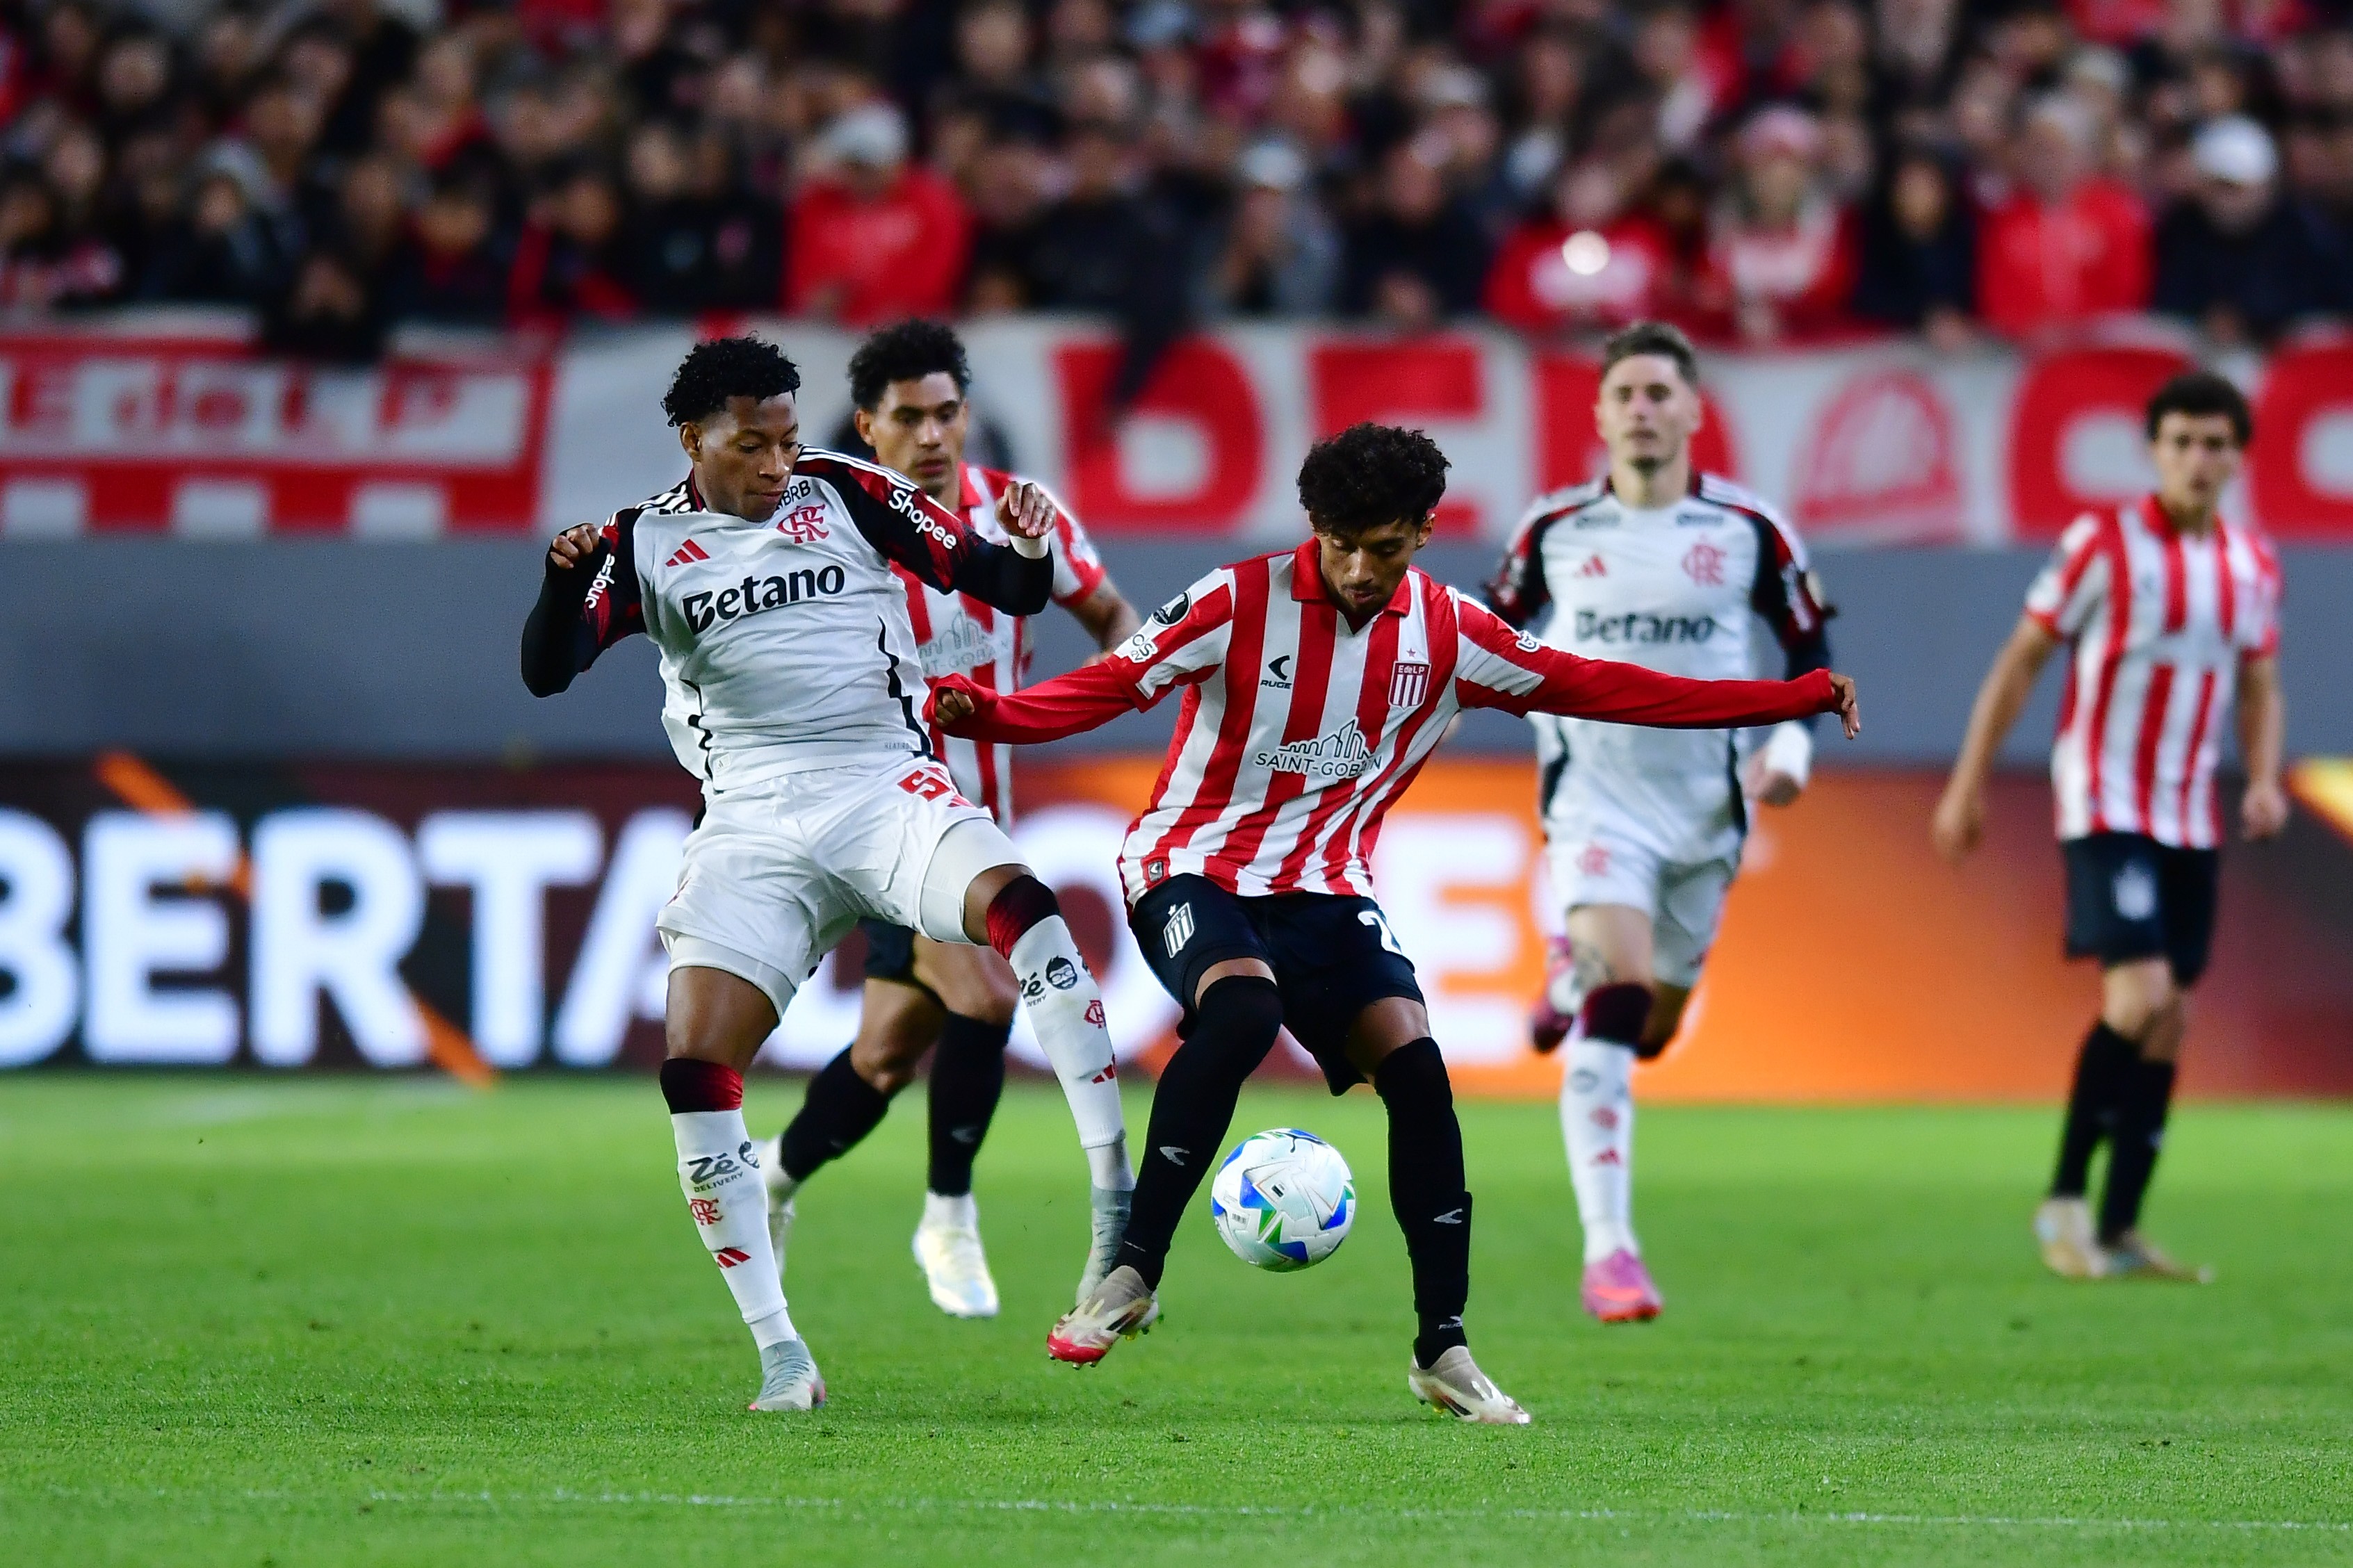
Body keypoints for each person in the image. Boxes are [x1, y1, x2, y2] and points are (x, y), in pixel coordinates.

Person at [925, 421, 1859, 1422]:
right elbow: (1115, 683)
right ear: (1314, 528)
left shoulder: (1453, 634)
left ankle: (1441, 1350)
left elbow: (1605, 687)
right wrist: (996, 714)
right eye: (1341, 544)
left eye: (1384, 547)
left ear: (1419, 535)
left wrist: (1785, 698)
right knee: (1239, 1014)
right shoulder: (1235, 599)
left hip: (1328, 885)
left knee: (1417, 1075)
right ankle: (1131, 1270)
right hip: (1189, 864)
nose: (1360, 569)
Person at [516, 336, 1135, 1412]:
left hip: (882, 788)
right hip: (751, 827)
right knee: (696, 1066)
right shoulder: (642, 541)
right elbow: (547, 672)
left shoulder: (849, 491)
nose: (773, 464)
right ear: (692, 440)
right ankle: (781, 1357)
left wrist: (1028, 553)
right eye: (749, 444)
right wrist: (558, 585)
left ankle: (1114, 1222)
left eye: (786, 439)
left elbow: (998, 583)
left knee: (1026, 915)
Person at [759, 320, 1142, 1320]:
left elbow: (1110, 621)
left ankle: (773, 1178)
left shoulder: (1020, 519)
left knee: (885, 1057)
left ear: (965, 415)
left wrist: (1153, 690)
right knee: (985, 997)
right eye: (908, 419)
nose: (931, 436)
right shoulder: (826, 533)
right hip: (880, 822)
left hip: (982, 825)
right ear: (866, 429)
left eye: (945, 414)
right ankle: (948, 1214)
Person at [1483, 320, 1834, 1326]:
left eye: (1658, 394)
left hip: (1705, 812)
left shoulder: (1748, 532)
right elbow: (1485, 636)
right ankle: (1611, 1254)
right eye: (1623, 394)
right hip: (1595, 799)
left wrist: (1793, 751)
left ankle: (1567, 973)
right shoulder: (1552, 531)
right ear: (1597, 416)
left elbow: (1809, 647)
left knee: (1654, 1022)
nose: (1641, 410)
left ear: (1691, 411)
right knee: (1621, 987)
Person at [1932, 370, 2286, 1284]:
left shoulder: (2249, 563)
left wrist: (2263, 778)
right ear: (2153, 451)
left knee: (2170, 1019)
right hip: (2105, 798)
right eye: (2180, 443)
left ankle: (2121, 1229)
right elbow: (2021, 660)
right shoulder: (2103, 544)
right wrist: (1966, 784)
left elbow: (2257, 682)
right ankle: (2060, 1201)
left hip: (2188, 810)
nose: (2197, 461)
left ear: (2236, 457)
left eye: (2214, 445)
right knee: (2137, 1000)